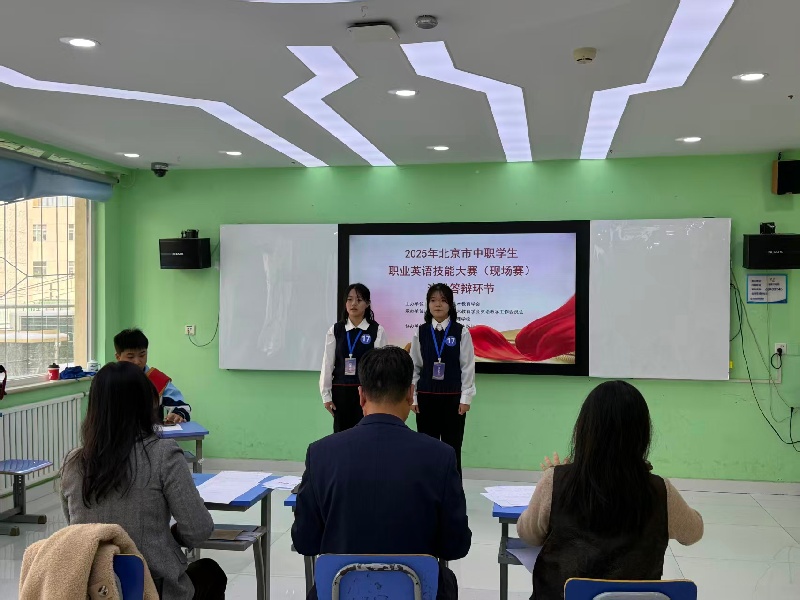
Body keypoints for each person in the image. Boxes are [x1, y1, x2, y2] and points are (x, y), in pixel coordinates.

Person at [294, 346, 471, 600]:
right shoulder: (441, 456)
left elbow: (304, 541)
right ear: (410, 394)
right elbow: (456, 546)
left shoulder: (321, 454)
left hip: (339, 593)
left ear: (361, 395)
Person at [516, 381, 704, 600]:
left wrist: (554, 478)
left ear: (584, 430)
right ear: (642, 434)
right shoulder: (661, 491)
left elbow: (528, 535)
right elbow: (694, 533)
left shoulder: (554, 481)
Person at [60, 361, 227, 600]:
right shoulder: (163, 454)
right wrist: (169, 536)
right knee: (210, 572)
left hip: (94, 588)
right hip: (152, 588)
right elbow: (199, 529)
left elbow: (76, 529)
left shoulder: (73, 462)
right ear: (146, 403)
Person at [410, 283, 476, 473]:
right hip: (425, 398)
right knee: (426, 450)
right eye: (433, 300)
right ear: (427, 304)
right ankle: (426, 487)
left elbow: (467, 367)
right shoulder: (421, 332)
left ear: (450, 305)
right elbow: (414, 366)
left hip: (453, 400)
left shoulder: (461, 331)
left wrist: (466, 398)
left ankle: (452, 489)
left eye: (443, 300)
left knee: (452, 449)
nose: (437, 304)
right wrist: (413, 397)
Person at [319, 283, 387, 432]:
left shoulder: (377, 330)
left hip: (367, 392)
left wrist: (380, 395)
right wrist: (326, 395)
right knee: (342, 435)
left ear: (367, 304)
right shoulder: (336, 330)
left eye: (359, 300)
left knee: (366, 433)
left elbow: (381, 368)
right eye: (349, 299)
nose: (353, 304)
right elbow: (327, 364)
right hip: (341, 391)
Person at [115, 328, 191, 424]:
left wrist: (178, 414)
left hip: (152, 432)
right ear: (118, 357)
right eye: (130, 357)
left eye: (142, 355)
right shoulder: (110, 379)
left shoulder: (157, 379)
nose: (137, 362)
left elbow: (182, 406)